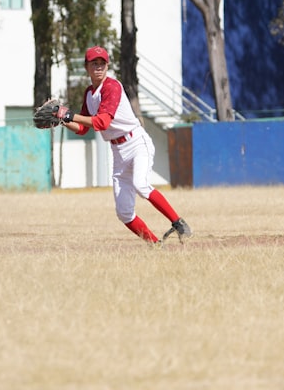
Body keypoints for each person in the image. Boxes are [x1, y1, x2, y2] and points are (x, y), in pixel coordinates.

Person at [57, 45, 193, 245]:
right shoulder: (89, 93)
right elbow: (84, 128)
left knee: (141, 184)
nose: (99, 67)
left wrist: (69, 114)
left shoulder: (112, 86)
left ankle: (179, 223)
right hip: (118, 150)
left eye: (102, 63)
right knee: (124, 213)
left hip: (136, 142)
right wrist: (62, 120)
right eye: (94, 63)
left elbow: (102, 122)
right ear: (86, 67)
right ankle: (155, 246)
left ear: (107, 65)